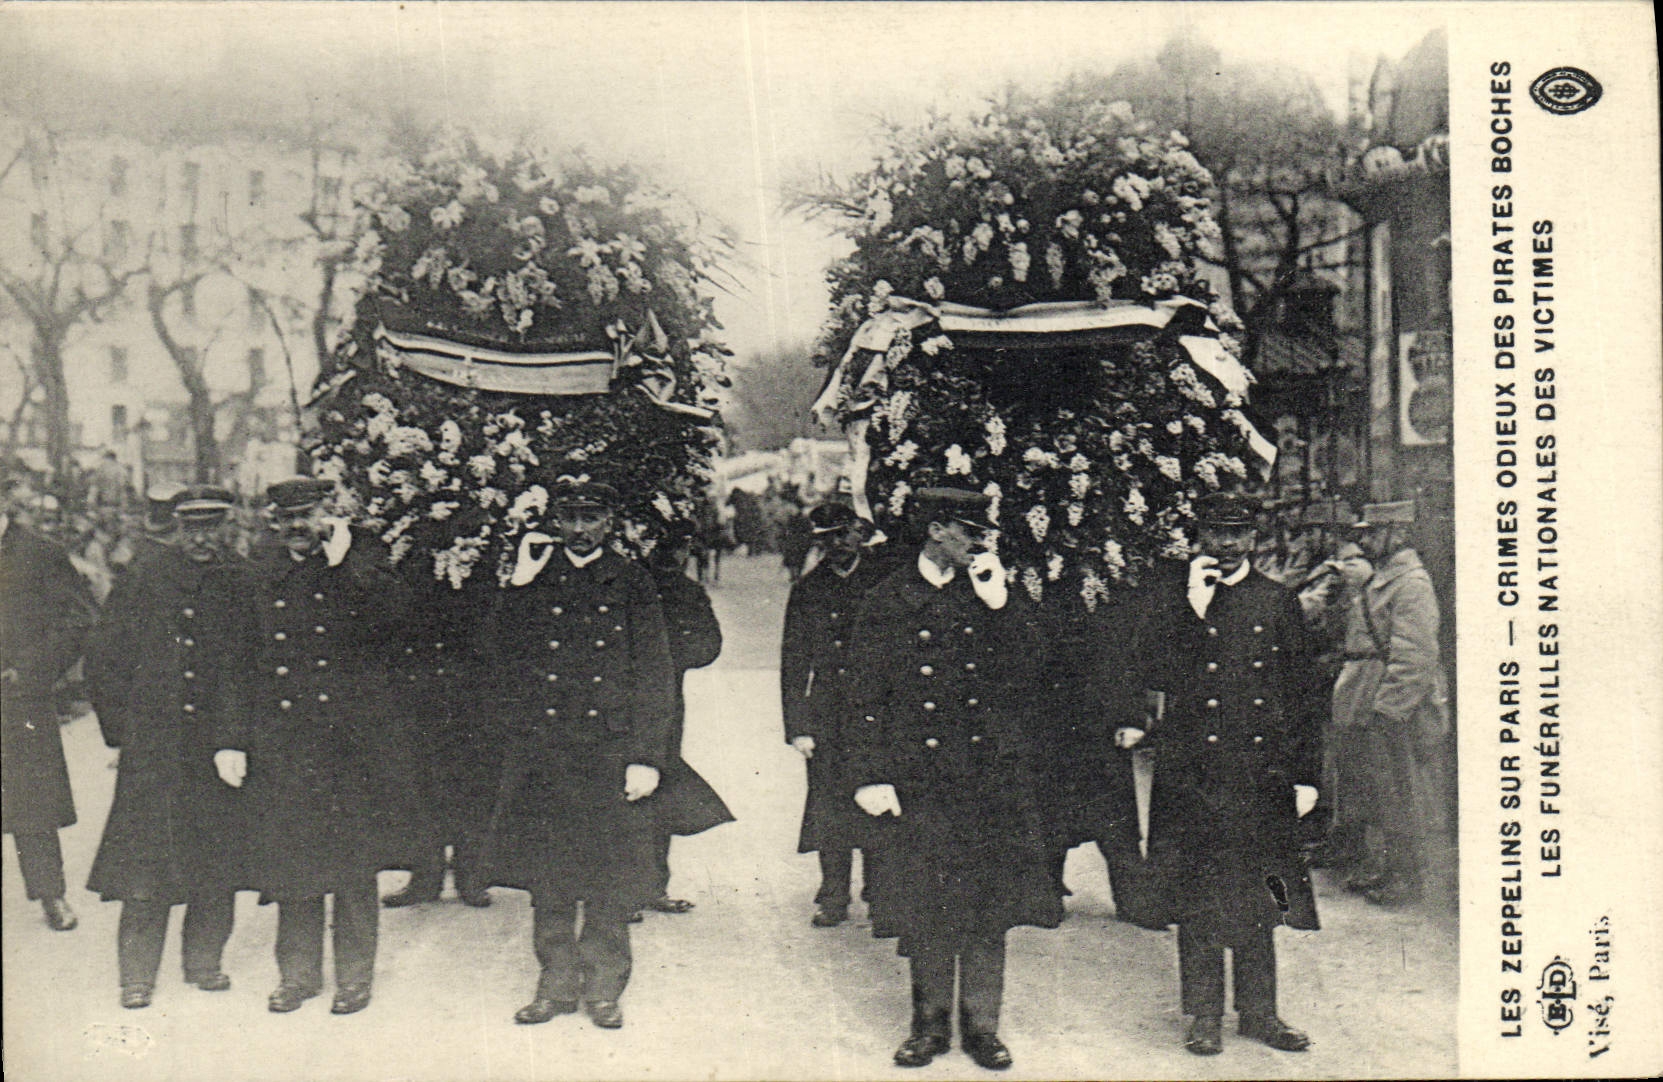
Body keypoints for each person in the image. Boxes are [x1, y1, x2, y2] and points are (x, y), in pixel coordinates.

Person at [845, 487, 1061, 1071]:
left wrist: (1003, 604)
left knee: (988, 907)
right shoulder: (888, 599)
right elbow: (863, 694)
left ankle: (982, 1027)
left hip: (988, 780)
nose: (980, 542)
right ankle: (930, 1025)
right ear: (937, 530)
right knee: (928, 906)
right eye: (970, 531)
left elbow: (1037, 668)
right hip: (918, 780)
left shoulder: (992, 593)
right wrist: (869, 774)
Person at [1118, 491, 1323, 1056]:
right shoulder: (1176, 600)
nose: (1226, 544)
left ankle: (1260, 1012)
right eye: (1215, 533)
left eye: (1236, 533)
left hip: (1259, 773)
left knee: (1262, 895)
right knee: (1198, 896)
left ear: (1253, 538)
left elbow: (1302, 694)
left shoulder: (1278, 602)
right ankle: (1204, 1013)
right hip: (1194, 774)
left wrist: (1306, 774)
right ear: (1199, 537)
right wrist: (1191, 606)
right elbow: (1149, 668)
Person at [215, 476, 421, 1016]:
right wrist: (231, 739)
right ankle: (298, 975)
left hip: (351, 740)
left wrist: (344, 560)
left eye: (307, 514)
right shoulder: (259, 567)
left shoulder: (361, 554)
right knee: (293, 862)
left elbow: (396, 619)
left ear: (329, 509)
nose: (297, 527)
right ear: (273, 522)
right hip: (284, 740)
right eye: (287, 518)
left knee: (354, 864)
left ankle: (355, 975)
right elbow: (239, 659)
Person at [482, 480, 677, 1030]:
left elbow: (655, 674)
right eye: (571, 517)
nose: (581, 528)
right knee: (551, 874)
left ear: (610, 521)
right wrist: (517, 585)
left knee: (610, 876)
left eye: (592, 517)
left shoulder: (633, 581)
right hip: (549, 751)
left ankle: (605, 984)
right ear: (557, 521)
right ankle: (555, 981)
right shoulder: (536, 578)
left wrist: (647, 755)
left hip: (610, 752)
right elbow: (497, 651)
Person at [84, 485, 249, 1009]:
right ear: (176, 528)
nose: (202, 538)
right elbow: (104, 658)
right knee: (145, 866)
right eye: (192, 528)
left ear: (228, 525)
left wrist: (238, 737)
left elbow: (253, 668)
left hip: (216, 749)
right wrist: (124, 733)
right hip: (155, 746)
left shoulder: (242, 580)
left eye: (212, 526)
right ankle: (137, 975)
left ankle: (204, 961)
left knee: (215, 860)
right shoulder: (145, 578)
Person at [1330, 500, 1451, 906]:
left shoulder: (1411, 582)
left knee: (1402, 792)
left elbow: (1416, 655)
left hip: (1392, 704)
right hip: (1367, 694)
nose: (1364, 540)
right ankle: (1387, 868)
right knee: (1379, 790)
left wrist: (1389, 708)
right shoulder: (1386, 577)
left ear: (1396, 534)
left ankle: (1406, 878)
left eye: (1372, 532)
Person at [780, 501, 887, 927]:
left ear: (860, 531)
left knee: (880, 796)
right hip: (828, 712)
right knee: (829, 803)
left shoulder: (884, 581)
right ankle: (834, 894)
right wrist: (798, 726)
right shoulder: (808, 589)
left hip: (879, 708)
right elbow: (793, 661)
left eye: (844, 534)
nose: (837, 545)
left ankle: (881, 891)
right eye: (826, 539)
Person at [1, 468, 99, 931]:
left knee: (30, 802)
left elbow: (80, 619)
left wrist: (33, 669)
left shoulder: (39, 554)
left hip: (18, 696)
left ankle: (50, 894)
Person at [381, 580, 495, 909]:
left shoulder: (485, 541)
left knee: (470, 781)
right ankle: (425, 875)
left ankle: (470, 874)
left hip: (471, 683)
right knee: (421, 782)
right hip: (420, 680)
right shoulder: (410, 538)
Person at [642, 537, 732, 920]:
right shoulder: (673, 586)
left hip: (661, 701)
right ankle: (639, 887)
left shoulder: (681, 589)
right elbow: (707, 646)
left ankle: (643, 886)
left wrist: (660, 658)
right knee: (650, 783)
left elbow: (708, 645)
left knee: (653, 784)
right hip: (656, 700)